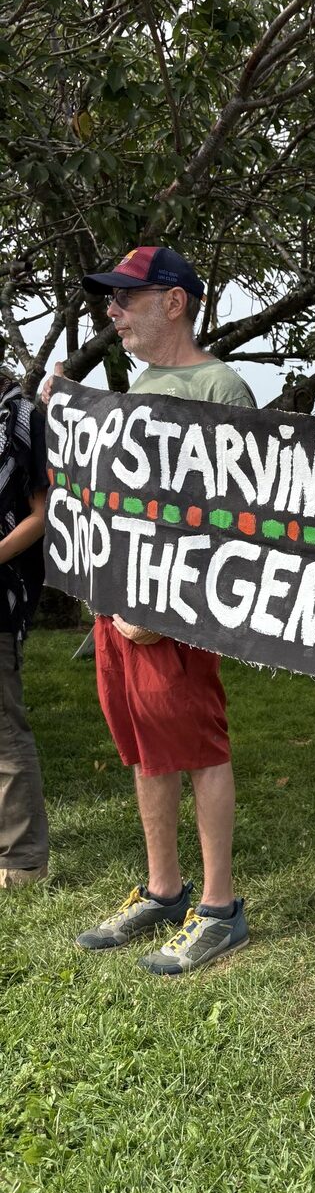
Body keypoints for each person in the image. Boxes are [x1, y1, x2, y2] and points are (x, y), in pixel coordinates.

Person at [58, 246, 255, 973]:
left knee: (198, 747)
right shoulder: (139, 384)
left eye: (126, 299)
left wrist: (172, 607)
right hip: (120, 603)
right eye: (111, 299)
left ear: (173, 302)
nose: (112, 312)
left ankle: (219, 909)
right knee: (143, 745)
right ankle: (164, 890)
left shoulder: (219, 386)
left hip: (177, 608)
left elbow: (234, 511)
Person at [0, 371, 50, 889]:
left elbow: (43, 512)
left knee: (4, 729)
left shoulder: (23, 418)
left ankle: (23, 859)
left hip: (3, 588)